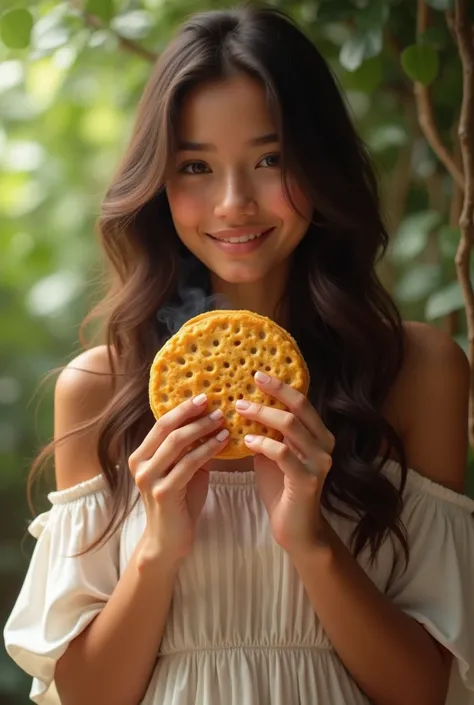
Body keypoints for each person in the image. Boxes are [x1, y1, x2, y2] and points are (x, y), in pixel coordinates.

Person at [4, 5, 473, 705]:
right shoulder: (101, 389)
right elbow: (89, 696)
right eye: (195, 165)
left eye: (270, 160)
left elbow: (423, 693)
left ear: (321, 163)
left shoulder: (417, 372)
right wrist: (159, 545)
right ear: (158, 183)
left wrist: (311, 541)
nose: (234, 203)